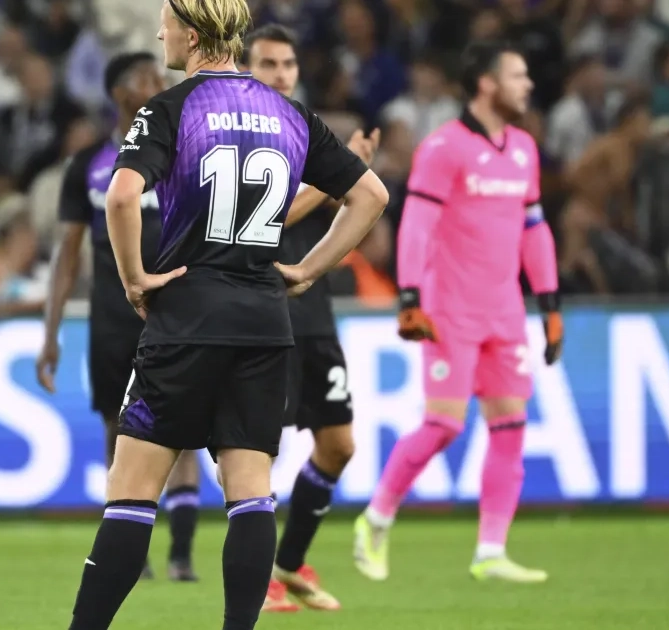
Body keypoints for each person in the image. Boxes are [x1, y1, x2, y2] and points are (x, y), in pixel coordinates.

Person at [64, 1, 389, 628]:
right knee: (250, 494)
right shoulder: (290, 113)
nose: (159, 32)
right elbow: (370, 194)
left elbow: (123, 197)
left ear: (191, 34)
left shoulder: (171, 108)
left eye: (166, 22)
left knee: (131, 496)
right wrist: (307, 269)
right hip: (264, 325)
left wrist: (135, 279)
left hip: (186, 319)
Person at [353, 40, 562, 584]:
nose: (528, 85)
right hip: (450, 308)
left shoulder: (524, 148)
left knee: (510, 426)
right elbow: (417, 224)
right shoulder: (444, 148)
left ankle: (491, 550)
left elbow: (534, 228)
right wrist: (409, 296)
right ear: (487, 83)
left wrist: (549, 302)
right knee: (444, 425)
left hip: (505, 310)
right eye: (517, 76)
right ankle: (376, 519)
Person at [37, 51, 204, 582]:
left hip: (178, 312)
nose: (158, 82)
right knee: (119, 427)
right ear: (118, 94)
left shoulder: (184, 151)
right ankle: (134, 552)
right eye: (144, 77)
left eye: (159, 74)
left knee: (185, 428)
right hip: (112, 316)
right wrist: (50, 335)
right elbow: (68, 253)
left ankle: (181, 554)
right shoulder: (88, 164)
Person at [239, 23, 379, 613]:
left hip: (314, 312)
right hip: (263, 311)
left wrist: (351, 174)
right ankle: (257, 582)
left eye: (288, 64)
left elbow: (357, 208)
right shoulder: (239, 136)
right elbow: (264, 217)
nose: (281, 74)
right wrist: (337, 180)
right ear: (246, 70)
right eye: (268, 64)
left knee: (339, 445)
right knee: (258, 454)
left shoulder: (306, 131)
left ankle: (289, 563)